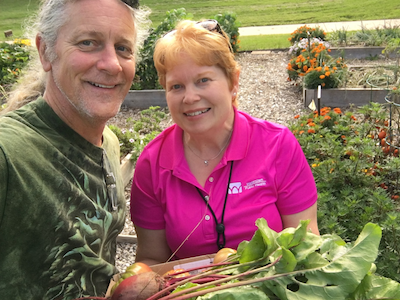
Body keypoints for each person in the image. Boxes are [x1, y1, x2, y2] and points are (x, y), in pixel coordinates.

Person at [130, 19, 319, 266]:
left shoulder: (277, 145)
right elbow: (153, 260)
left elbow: (306, 246)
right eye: (176, 86)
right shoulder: (153, 163)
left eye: (203, 80)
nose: (190, 97)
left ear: (233, 82)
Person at [0, 0, 150, 299]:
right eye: (88, 43)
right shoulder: (9, 155)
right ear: (46, 52)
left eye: (123, 48)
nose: (111, 64)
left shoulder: (108, 142)